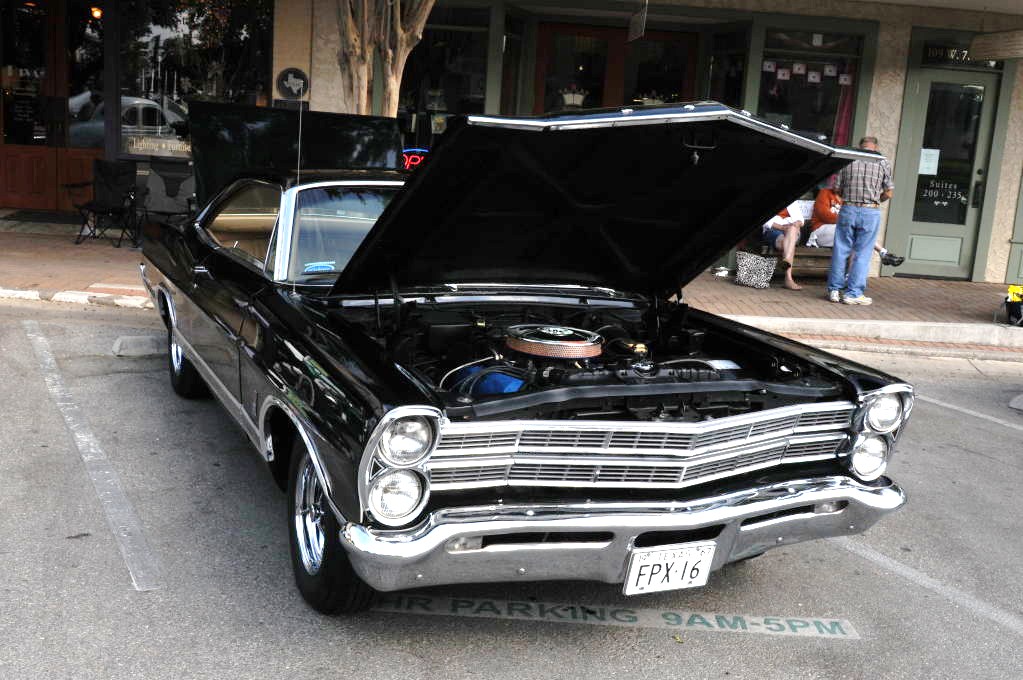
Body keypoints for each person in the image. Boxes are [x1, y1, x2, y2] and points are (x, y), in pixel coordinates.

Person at [826, 136, 894, 305]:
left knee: (841, 250)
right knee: (862, 254)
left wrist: (849, 196)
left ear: (860, 147)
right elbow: (888, 193)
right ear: (875, 147)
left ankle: (834, 290)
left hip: (848, 208)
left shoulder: (848, 160)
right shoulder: (883, 162)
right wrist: (876, 199)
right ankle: (853, 293)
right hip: (870, 211)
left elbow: (837, 189)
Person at [808, 179, 904, 266]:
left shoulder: (848, 198)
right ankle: (882, 252)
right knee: (854, 233)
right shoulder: (825, 193)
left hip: (842, 232)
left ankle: (851, 274)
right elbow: (824, 215)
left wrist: (850, 220)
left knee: (858, 237)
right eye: (836, 182)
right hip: (820, 232)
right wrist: (848, 220)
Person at [762, 201, 804, 290]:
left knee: (792, 231)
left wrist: (797, 223)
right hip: (773, 229)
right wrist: (782, 227)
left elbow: (801, 220)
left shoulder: (793, 201)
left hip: (792, 230)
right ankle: (788, 279)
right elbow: (765, 222)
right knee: (789, 243)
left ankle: (786, 259)